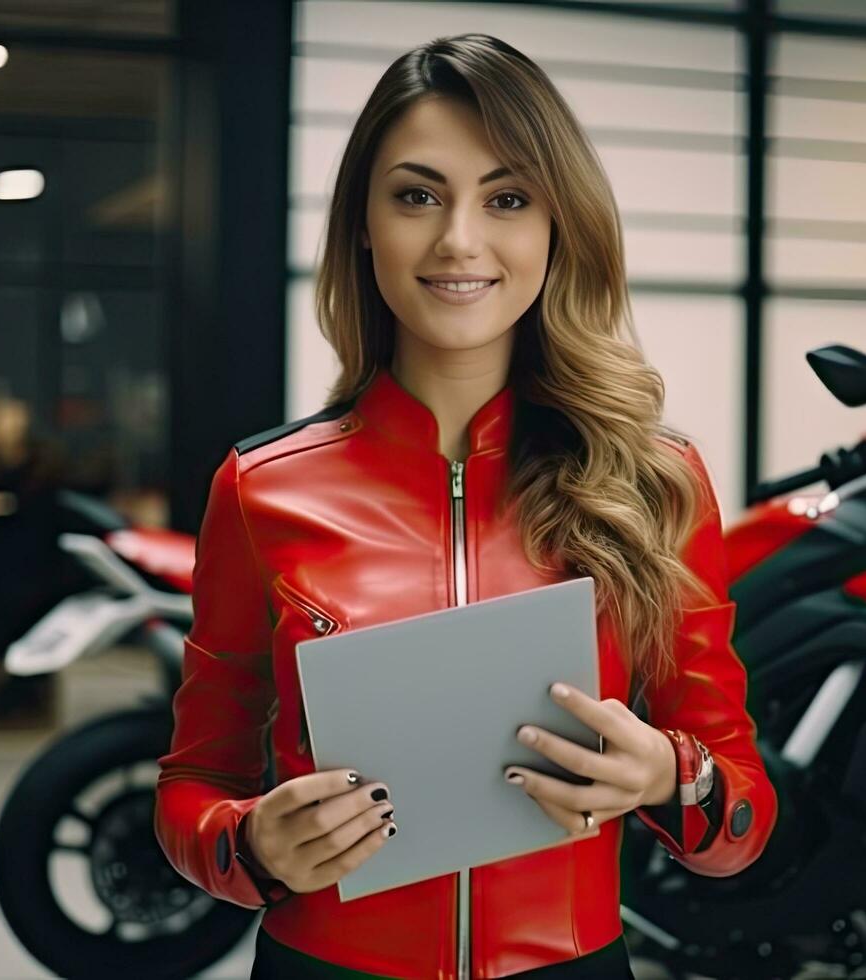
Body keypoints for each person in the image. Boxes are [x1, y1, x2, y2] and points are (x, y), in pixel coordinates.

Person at [155, 33, 776, 980]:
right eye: (416, 195)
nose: (458, 241)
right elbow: (192, 786)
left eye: (508, 198)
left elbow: (740, 815)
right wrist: (246, 845)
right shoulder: (261, 488)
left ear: (555, 225)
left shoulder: (656, 480)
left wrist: (667, 775)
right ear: (363, 223)